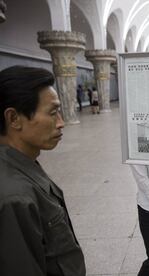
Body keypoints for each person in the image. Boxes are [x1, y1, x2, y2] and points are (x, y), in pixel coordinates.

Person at [0, 66, 86, 275]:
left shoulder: (22, 164)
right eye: (53, 112)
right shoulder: (14, 197)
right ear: (14, 118)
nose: (61, 123)